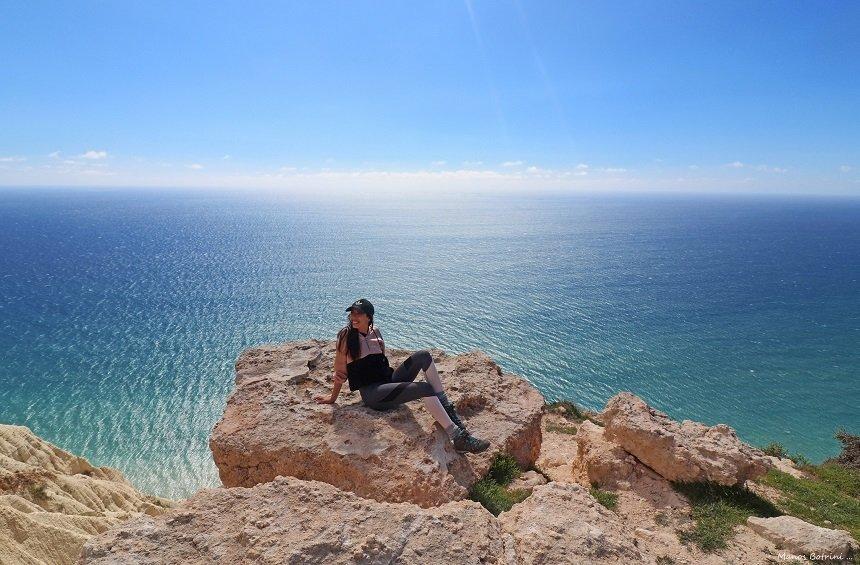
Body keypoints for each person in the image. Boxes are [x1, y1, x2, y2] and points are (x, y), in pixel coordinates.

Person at [315, 298, 490, 454]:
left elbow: (381, 364)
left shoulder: (376, 332)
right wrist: (332, 398)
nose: (353, 317)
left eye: (358, 313)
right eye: (352, 313)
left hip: (387, 382)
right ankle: (457, 436)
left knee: (423, 356)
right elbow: (340, 373)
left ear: (369, 316)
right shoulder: (345, 336)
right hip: (373, 394)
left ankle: (449, 412)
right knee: (425, 388)